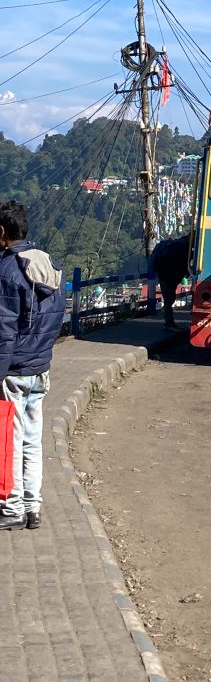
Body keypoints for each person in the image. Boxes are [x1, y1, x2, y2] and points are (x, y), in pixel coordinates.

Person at [0, 200, 66, 529]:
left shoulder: (7, 271)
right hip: (40, 366)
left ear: (1, 232)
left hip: (13, 370)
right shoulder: (50, 264)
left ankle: (11, 508)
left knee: (8, 441)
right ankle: (32, 505)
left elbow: (4, 330)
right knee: (31, 438)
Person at [148, 234, 190, 329]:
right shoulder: (183, 249)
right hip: (169, 277)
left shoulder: (175, 246)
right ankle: (169, 323)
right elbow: (183, 264)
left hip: (164, 275)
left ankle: (169, 322)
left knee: (169, 299)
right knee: (169, 299)